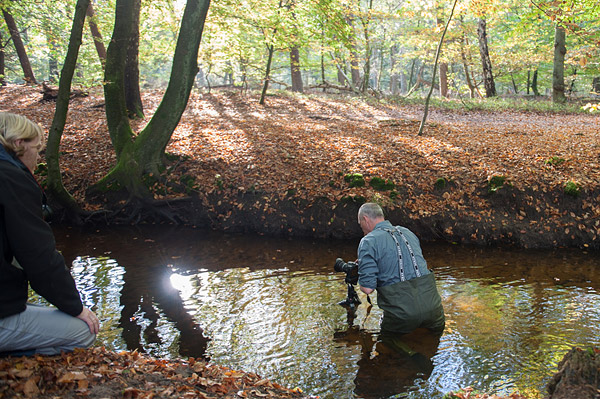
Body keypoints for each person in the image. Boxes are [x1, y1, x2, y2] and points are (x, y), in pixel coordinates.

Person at [0, 112, 99, 356]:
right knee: (84, 331)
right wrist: (76, 308)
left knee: (30, 309)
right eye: (37, 149)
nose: (38, 157)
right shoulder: (11, 179)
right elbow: (39, 256)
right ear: (18, 144)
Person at [356, 202, 445, 335]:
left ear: (365, 219)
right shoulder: (407, 232)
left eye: (360, 223)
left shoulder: (368, 241)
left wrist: (361, 272)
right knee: (430, 345)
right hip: (434, 310)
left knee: (386, 349)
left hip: (402, 316)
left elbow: (367, 289)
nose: (361, 227)